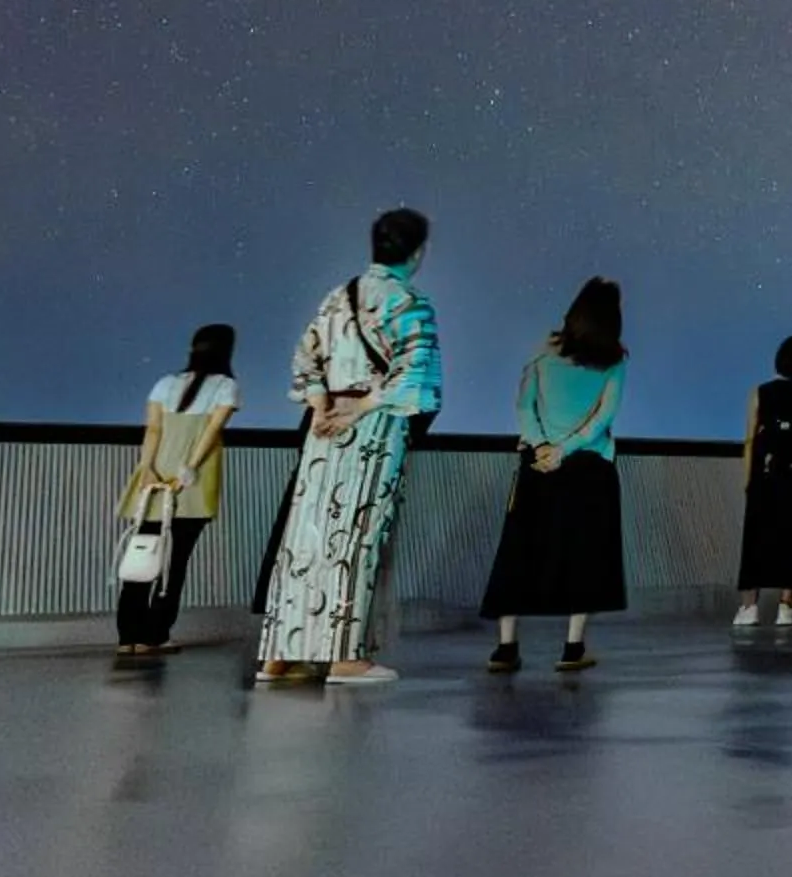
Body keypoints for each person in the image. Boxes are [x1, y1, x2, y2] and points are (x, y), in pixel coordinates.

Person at [257, 207, 444, 686]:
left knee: (305, 539)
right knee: (357, 537)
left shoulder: (338, 296)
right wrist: (361, 407)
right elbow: (415, 372)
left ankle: (280, 654)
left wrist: (321, 406)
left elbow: (306, 356)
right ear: (417, 252)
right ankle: (344, 657)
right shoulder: (410, 302)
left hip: (323, 432)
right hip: (373, 431)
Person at [480, 278, 630, 672]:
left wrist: (540, 446)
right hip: (590, 467)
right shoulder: (614, 360)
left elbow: (524, 404)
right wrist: (564, 449)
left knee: (519, 551)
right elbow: (604, 416)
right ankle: (572, 648)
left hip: (538, 465)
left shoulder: (544, 351)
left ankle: (505, 647)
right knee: (585, 556)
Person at [114, 324, 239, 656]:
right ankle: (155, 636)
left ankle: (128, 637)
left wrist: (146, 468)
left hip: (154, 480)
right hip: (191, 484)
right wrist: (189, 470)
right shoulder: (226, 387)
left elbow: (153, 429)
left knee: (143, 553)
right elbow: (211, 431)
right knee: (174, 561)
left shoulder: (165, 383)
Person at [733, 335, 792, 629]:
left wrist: (748, 479)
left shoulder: (759, 392)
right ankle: (786, 607)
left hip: (764, 477)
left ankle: (749, 607)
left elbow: (750, 439)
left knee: (756, 539)